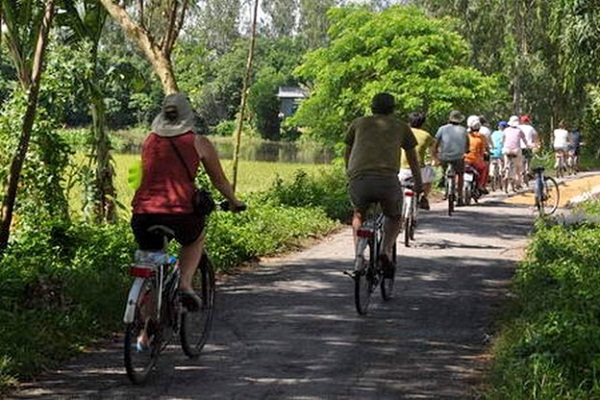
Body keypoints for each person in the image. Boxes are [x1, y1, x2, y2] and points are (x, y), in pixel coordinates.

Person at [131, 92, 245, 311]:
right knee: (195, 239)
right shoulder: (198, 142)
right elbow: (219, 181)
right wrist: (234, 201)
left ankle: (144, 332)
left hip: (143, 214)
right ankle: (184, 286)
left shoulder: (149, 141)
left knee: (152, 263)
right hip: (181, 213)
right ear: (187, 116)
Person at [344, 93, 422, 277]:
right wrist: (418, 183)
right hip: (387, 180)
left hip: (360, 178)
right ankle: (385, 251)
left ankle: (358, 257)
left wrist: (350, 174)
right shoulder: (401, 127)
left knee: (359, 213)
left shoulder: (358, 123)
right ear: (393, 108)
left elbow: (347, 152)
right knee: (394, 216)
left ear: (372, 107)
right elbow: (413, 159)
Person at [398, 111, 436, 210]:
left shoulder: (402, 132)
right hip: (419, 170)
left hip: (401, 169)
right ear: (423, 123)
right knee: (430, 176)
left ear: (409, 122)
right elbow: (433, 151)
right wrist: (434, 160)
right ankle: (424, 197)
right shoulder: (426, 135)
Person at [433, 110, 469, 206]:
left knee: (444, 168)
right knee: (460, 174)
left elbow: (435, 143)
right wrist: (466, 150)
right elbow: (467, 144)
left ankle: (444, 186)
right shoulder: (463, 130)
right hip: (458, 157)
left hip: (444, 157)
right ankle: (460, 197)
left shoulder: (442, 129)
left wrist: (435, 155)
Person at [464, 115, 489, 195]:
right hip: (475, 160)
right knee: (484, 167)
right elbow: (482, 151)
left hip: (464, 160)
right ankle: (480, 186)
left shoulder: (464, 135)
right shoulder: (481, 137)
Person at [502, 115, 527, 189]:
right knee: (517, 167)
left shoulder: (505, 130)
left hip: (506, 149)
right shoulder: (519, 130)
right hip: (516, 151)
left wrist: (504, 144)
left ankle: (505, 169)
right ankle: (516, 182)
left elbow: (503, 140)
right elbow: (524, 140)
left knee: (506, 161)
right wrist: (527, 145)